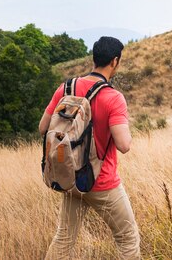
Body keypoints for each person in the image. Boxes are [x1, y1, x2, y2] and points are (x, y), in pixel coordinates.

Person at [39, 36, 140, 260]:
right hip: (101, 182)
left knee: (64, 239)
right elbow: (124, 145)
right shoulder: (113, 98)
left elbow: (43, 128)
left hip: (69, 177)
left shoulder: (66, 88)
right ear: (115, 61)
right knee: (127, 237)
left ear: (93, 58)